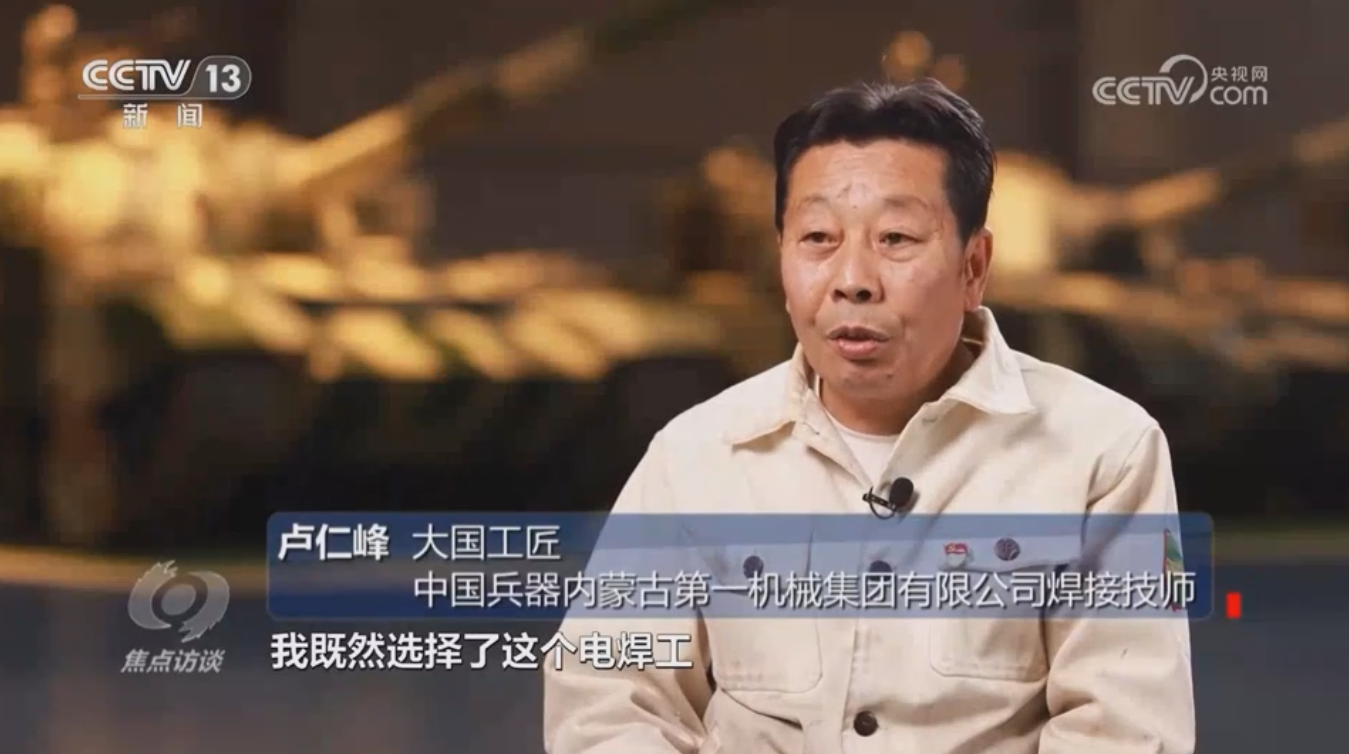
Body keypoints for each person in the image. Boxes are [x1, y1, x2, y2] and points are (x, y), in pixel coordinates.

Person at [543, 80, 1194, 754]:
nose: (852, 279)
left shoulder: (1102, 452)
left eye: (896, 238)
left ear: (973, 267)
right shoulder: (697, 454)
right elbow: (606, 702)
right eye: (817, 238)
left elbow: (1125, 731)